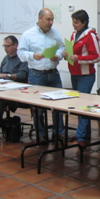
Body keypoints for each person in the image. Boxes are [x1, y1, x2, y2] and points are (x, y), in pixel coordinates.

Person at [18, 8, 65, 143]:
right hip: (36, 74)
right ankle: (41, 134)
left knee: (58, 105)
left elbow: (61, 48)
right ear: (40, 18)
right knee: (38, 108)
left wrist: (57, 55)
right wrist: (33, 55)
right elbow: (20, 53)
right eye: (48, 19)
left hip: (53, 74)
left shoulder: (55, 33)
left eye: (52, 20)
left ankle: (58, 133)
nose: (51, 22)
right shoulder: (28, 34)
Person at [62, 10, 100, 147]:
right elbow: (74, 51)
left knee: (81, 106)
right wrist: (67, 53)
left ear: (84, 22)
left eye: (76, 22)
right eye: (73, 21)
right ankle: (85, 133)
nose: (74, 25)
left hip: (86, 76)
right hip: (74, 73)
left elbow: (96, 56)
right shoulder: (74, 34)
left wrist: (79, 58)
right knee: (81, 105)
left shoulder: (90, 36)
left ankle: (81, 136)